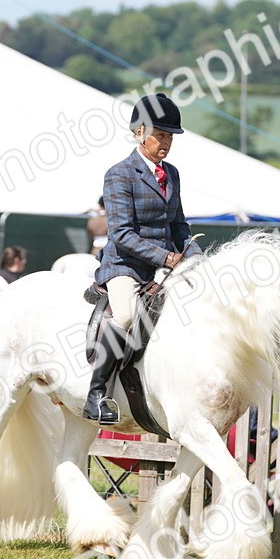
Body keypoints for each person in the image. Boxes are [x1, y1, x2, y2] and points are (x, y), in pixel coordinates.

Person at [85, 92, 202, 424]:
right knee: (123, 316)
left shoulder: (172, 174)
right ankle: (96, 394)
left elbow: (179, 225)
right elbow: (121, 234)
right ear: (139, 133)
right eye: (160, 135)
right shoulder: (119, 174)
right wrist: (167, 258)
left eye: (170, 136)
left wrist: (196, 258)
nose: (166, 142)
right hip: (124, 265)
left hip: (162, 266)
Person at [51, 198, 105, 277]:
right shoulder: (110, 219)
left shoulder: (93, 220)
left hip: (95, 250)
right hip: (106, 251)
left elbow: (90, 235)